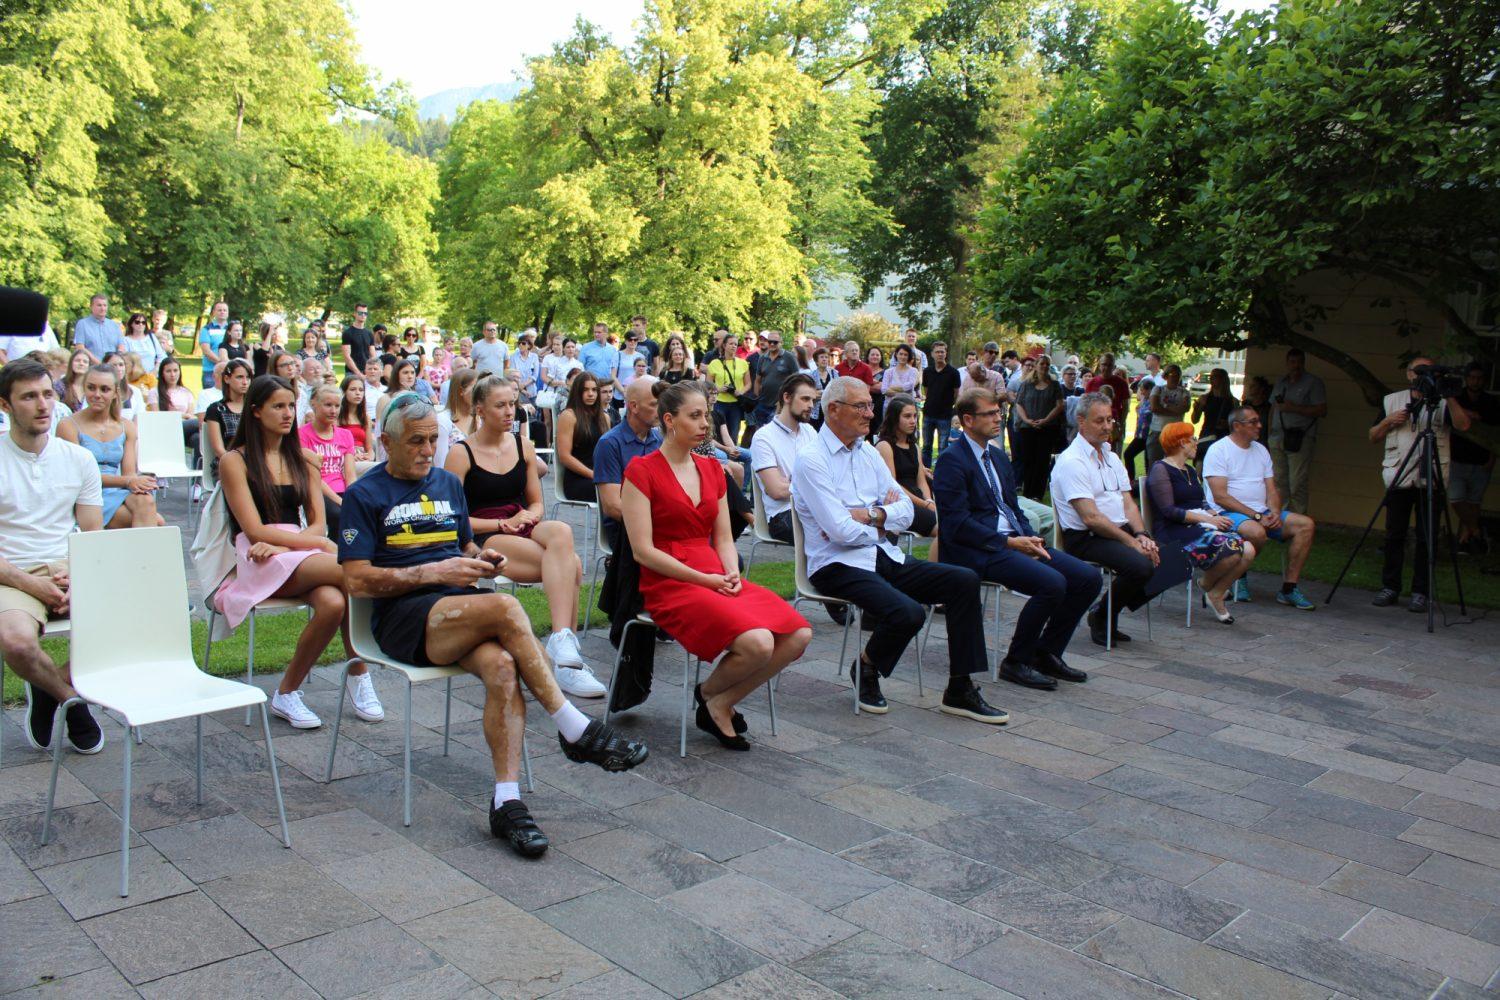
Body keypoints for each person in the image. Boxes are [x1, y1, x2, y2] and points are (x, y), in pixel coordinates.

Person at [340, 394, 647, 856]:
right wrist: (431, 573)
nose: (427, 450)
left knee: (504, 668)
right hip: (403, 618)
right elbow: (355, 579)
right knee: (504, 607)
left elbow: (463, 546)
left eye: (433, 440)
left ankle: (507, 803)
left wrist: (481, 558)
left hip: (458, 608)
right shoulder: (364, 495)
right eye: (416, 442)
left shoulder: (446, 483)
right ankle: (573, 728)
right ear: (385, 442)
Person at [794, 376, 1004, 722]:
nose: (869, 413)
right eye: (861, 406)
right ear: (833, 410)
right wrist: (883, 521)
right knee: (908, 612)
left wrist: (873, 515)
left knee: (964, 580)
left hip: (882, 554)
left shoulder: (866, 452)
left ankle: (959, 689)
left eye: (870, 405)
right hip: (836, 564)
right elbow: (839, 532)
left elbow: (907, 510)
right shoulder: (812, 459)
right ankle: (866, 667)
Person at [622, 381, 811, 749]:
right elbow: (643, 551)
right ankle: (713, 697)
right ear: (669, 420)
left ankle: (717, 700)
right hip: (669, 581)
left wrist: (732, 574)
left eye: (705, 415)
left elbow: (724, 539)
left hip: (715, 574)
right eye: (694, 416)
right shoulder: (641, 471)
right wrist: (706, 580)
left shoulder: (712, 470)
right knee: (757, 643)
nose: (705, 423)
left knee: (798, 634)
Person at [217, 375, 381, 729]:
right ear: (256, 412)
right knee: (352, 574)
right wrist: (313, 544)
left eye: (291, 405)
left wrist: (294, 543)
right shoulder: (236, 461)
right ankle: (367, 663)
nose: (288, 413)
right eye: (278, 406)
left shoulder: (304, 459)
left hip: (292, 547)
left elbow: (319, 526)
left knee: (335, 603)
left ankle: (288, 692)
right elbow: (254, 530)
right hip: (258, 555)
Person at [444, 378, 601, 697]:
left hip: (521, 522)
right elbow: (453, 518)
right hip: (484, 533)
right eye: (500, 405)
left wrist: (529, 515)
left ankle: (561, 644)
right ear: (480, 410)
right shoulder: (460, 454)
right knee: (570, 563)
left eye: (512, 404)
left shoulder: (523, 446)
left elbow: (537, 503)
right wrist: (503, 524)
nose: (509, 412)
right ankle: (567, 662)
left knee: (561, 530)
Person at [934, 387, 1097, 688]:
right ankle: (1016, 661)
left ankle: (1046, 653)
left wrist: (1030, 537)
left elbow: (1011, 506)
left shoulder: (996, 456)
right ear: (967, 420)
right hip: (976, 549)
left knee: (1088, 578)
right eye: (990, 413)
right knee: (1052, 583)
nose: (999, 418)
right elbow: (956, 524)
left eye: (999, 412)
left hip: (1012, 541)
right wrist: (1008, 543)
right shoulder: (951, 461)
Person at [0, 358, 106, 755]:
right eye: (29, 397)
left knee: (145, 620)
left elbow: (93, 533)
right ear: (5, 405)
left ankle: (45, 689)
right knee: (16, 643)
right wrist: (33, 585)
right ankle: (71, 701)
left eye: (47, 393)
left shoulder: (78, 458)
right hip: (11, 572)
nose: (43, 405)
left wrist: (80, 576)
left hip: (70, 566)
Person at [1052, 393, 1161, 647]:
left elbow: (1128, 503)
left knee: (1168, 559)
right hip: (1085, 537)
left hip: (1116, 530)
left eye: (1110, 420)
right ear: (1081, 421)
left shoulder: (1111, 457)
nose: (1107, 426)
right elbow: (1091, 518)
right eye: (1100, 421)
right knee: (1141, 566)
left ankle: (1107, 610)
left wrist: (1142, 535)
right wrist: (1132, 543)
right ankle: (1103, 615)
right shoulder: (1072, 462)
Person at [1368, 356, 1472, 612]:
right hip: (1400, 476)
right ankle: (1390, 586)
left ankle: (1421, 592)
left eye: (1428, 371)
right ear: (1409, 374)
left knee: (1427, 537)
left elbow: (1464, 425)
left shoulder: (1441, 402)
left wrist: (1449, 395)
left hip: (1431, 477)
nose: (1422, 376)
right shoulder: (1392, 400)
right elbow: (1372, 436)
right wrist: (1387, 421)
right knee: (1394, 534)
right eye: (1418, 371)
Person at [1203, 406, 1318, 609]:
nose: (1259, 425)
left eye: (1258, 421)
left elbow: (1272, 489)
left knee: (1305, 525)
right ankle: (1238, 577)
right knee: (1256, 532)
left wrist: (1274, 511)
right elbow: (1220, 496)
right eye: (1253, 422)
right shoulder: (1218, 450)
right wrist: (1256, 515)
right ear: (1237, 426)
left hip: (1260, 512)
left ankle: (1289, 589)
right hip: (1227, 513)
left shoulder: (1261, 450)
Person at [1147, 422, 1255, 623]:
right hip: (1174, 531)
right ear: (1182, 442)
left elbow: (1202, 502)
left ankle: (1214, 591)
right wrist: (1208, 519)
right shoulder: (1160, 470)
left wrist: (1216, 516)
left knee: (1248, 550)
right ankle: (1208, 587)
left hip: (1198, 526)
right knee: (1232, 549)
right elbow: (1169, 511)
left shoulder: (1189, 470)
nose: (1197, 443)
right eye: (1193, 439)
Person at [57, 365, 161, 529]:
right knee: (158, 522)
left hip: (116, 490)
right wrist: (129, 481)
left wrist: (136, 482)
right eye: (91, 388)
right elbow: (78, 477)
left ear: (115, 393)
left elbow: (129, 473)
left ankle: (135, 554)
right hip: (84, 494)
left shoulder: (126, 426)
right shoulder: (68, 425)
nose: (97, 395)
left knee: (145, 499)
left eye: (104, 389)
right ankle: (142, 555)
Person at [594, 376, 663, 555]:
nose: (661, 410)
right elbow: (613, 506)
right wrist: (660, 523)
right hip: (627, 529)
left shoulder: (660, 440)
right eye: (654, 405)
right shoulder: (609, 443)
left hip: (661, 522)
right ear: (633, 407)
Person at [750, 373, 817, 542]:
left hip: (813, 509)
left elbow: (829, 477)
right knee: (837, 530)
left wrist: (794, 483)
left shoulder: (810, 432)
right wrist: (815, 485)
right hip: (782, 516)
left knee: (864, 523)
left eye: (813, 400)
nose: (811, 405)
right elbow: (777, 491)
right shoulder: (763, 437)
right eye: (805, 399)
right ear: (787, 397)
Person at [1268, 347, 1327, 514]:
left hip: (1300, 437)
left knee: (1297, 483)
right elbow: (1273, 408)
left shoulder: (1313, 383)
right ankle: (1281, 519)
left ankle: (1299, 519)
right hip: (1278, 435)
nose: (1296, 366)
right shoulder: (1281, 382)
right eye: (1292, 362)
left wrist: (1293, 408)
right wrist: (1269, 432)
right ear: (1287, 363)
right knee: (1278, 481)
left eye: (1299, 362)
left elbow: (1322, 410)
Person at [1448, 363, 1499, 553]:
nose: (1475, 381)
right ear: (1466, 378)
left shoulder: (1491, 402)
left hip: (1481, 459)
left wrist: (1492, 458)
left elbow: (1494, 434)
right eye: (1472, 377)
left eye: (1479, 378)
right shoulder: (1456, 398)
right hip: (1457, 457)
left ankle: (1466, 540)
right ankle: (1476, 531)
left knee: (1474, 501)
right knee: (1456, 498)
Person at [299, 383, 358, 539]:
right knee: (337, 514)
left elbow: (350, 474)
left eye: (337, 406)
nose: (333, 411)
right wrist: (340, 501)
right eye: (328, 405)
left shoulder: (345, 435)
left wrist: (353, 497)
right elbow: (313, 477)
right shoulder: (302, 435)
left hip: (342, 488)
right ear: (315, 405)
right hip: (317, 490)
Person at [875, 395, 937, 541]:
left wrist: (929, 500)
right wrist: (925, 505)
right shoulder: (885, 446)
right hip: (901, 502)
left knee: (952, 524)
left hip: (920, 501)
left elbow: (921, 480)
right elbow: (893, 485)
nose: (913, 421)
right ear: (895, 418)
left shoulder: (914, 447)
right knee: (946, 529)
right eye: (907, 416)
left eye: (915, 416)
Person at [1013, 354, 1066, 499]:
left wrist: (1045, 420)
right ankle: (1027, 492)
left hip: (1048, 428)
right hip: (1027, 427)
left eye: (1047, 364)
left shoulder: (1055, 385)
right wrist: (1027, 420)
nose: (1044, 367)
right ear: (1036, 365)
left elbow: (1059, 405)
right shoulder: (1026, 384)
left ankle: (1038, 493)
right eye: (1042, 363)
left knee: (1042, 460)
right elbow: (1019, 403)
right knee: (1028, 459)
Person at [557, 373, 611, 504]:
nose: (591, 394)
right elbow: (564, 457)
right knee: (617, 492)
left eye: (594, 390)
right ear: (577, 392)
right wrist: (593, 475)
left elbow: (608, 452)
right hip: (578, 480)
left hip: (602, 476)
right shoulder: (568, 416)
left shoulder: (605, 418)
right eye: (585, 390)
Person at [204, 359, 253, 479]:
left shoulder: (254, 409)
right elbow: (218, 449)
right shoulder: (216, 409)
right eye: (240, 377)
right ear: (227, 379)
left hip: (254, 463)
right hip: (226, 463)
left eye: (248, 377)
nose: (245, 382)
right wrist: (239, 464)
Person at [150, 357, 200, 461]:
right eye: (168, 371)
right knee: (199, 423)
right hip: (166, 428)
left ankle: (197, 475)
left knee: (197, 438)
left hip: (185, 429)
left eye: (175, 370)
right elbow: (156, 416)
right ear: (162, 373)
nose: (172, 375)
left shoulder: (186, 392)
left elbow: (190, 415)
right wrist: (181, 415)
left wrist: (184, 417)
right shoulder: (154, 392)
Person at [918, 342, 960, 468]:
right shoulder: (927, 372)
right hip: (928, 414)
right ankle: (926, 473)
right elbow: (926, 390)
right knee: (926, 446)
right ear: (932, 354)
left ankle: (941, 472)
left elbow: (956, 394)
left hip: (945, 415)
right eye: (937, 352)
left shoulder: (953, 373)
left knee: (943, 447)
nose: (940, 354)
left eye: (942, 351)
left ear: (946, 353)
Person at [750, 331, 800, 432]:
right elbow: (758, 380)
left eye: (775, 342)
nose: (772, 344)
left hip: (779, 405)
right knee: (759, 433)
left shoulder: (789, 357)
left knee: (774, 433)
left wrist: (785, 400)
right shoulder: (762, 358)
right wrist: (757, 397)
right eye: (770, 342)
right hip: (762, 403)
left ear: (781, 342)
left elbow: (796, 380)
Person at [1191, 367, 1238, 463]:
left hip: (1225, 438)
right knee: (1200, 466)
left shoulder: (1233, 401)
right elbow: (1194, 420)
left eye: (1215, 377)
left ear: (1223, 379)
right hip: (1206, 435)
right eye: (1211, 377)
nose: (1211, 379)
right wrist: (1198, 408)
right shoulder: (1205, 398)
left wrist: (1227, 424)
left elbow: (1238, 424)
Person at [1147, 364, 1191, 465]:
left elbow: (1185, 408)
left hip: (1176, 434)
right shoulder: (1158, 389)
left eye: (1178, 375)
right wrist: (1175, 410)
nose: (1176, 377)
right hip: (1158, 430)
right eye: (1173, 374)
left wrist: (1164, 406)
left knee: (1175, 465)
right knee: (1154, 463)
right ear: (1165, 376)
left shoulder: (1185, 393)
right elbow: (1154, 407)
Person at [73, 294, 124, 363]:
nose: (102, 308)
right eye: (99, 305)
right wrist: (99, 364)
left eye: (105, 305)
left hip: (112, 368)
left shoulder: (114, 325)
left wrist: (116, 361)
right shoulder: (82, 324)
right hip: (91, 368)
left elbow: (121, 346)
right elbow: (80, 347)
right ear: (91, 307)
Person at [1120, 378, 1154, 479]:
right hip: (1140, 435)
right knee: (1128, 454)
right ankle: (1130, 479)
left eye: (1143, 389)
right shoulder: (1145, 401)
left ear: (1149, 390)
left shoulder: (1154, 402)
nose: (1141, 392)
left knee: (1148, 461)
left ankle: (1149, 484)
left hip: (1149, 435)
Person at [579, 322, 619, 405]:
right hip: (591, 386)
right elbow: (580, 368)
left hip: (607, 387)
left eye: (599, 332)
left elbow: (615, 370)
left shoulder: (613, 350)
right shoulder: (586, 347)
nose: (596, 334)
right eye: (595, 332)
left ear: (606, 334)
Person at [102, 352, 147, 421]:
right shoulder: (97, 391)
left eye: (121, 365)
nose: (118, 368)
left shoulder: (135, 391)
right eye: (113, 365)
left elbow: (140, 420)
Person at [338, 374, 373, 460]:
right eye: (353, 389)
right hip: (344, 458)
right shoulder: (337, 416)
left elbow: (369, 448)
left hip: (362, 457)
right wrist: (351, 455)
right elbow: (333, 444)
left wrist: (370, 457)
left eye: (361, 390)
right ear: (344, 392)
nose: (358, 393)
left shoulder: (365, 417)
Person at [375, 360, 419, 427]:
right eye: (405, 372)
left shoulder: (418, 398)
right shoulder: (385, 399)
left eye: (412, 373)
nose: (410, 376)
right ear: (396, 375)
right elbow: (379, 430)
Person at [198, 300, 230, 388]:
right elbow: (206, 351)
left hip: (230, 372)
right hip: (211, 372)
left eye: (225, 310)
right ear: (213, 312)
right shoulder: (206, 329)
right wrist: (222, 364)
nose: (222, 312)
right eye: (219, 310)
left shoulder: (232, 329)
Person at [340, 303, 374, 375]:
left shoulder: (369, 334)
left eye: (365, 313)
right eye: (360, 313)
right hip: (351, 372)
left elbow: (372, 356)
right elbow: (347, 356)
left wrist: (370, 370)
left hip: (366, 372)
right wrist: (358, 373)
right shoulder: (348, 333)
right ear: (355, 314)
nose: (363, 315)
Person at [60, 348, 92, 412]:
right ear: (71, 363)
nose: (81, 364)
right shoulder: (60, 385)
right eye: (77, 360)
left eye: (85, 362)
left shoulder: (92, 388)